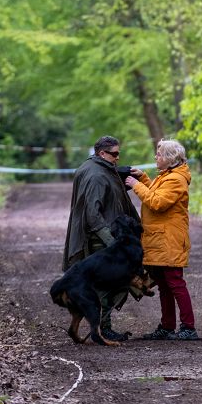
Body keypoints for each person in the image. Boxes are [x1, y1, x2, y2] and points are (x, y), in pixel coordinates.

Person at [63, 135, 142, 342]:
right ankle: (103, 329)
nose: (117, 158)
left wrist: (127, 175)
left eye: (119, 154)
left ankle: (96, 327)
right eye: (114, 154)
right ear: (102, 154)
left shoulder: (92, 167)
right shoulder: (96, 176)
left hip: (103, 237)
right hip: (101, 239)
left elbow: (110, 189)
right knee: (109, 285)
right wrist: (113, 242)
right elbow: (93, 213)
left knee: (104, 284)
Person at [126, 138, 198, 340]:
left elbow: (157, 202)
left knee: (175, 283)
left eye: (158, 154)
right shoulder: (168, 175)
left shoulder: (176, 179)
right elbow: (157, 192)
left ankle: (188, 328)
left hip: (170, 240)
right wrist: (143, 178)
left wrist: (136, 185)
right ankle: (167, 327)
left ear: (169, 158)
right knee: (164, 284)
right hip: (161, 239)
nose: (155, 157)